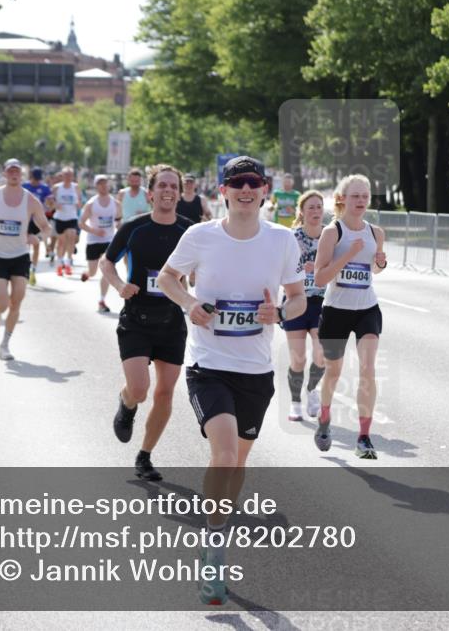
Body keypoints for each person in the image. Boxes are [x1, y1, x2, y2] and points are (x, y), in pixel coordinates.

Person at [157, 155, 305, 605]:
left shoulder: (282, 240)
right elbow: (167, 278)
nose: (246, 190)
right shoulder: (199, 235)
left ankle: (217, 528)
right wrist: (189, 304)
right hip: (209, 365)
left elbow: (298, 299)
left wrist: (278, 313)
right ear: (222, 190)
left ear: (264, 190)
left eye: (253, 182)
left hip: (256, 372)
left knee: (237, 465)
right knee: (222, 453)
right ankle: (214, 549)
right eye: (237, 182)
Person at [101, 164, 194, 482]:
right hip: (136, 319)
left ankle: (145, 455)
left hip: (171, 321)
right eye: (163, 186)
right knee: (140, 389)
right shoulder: (134, 227)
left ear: (180, 194)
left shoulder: (189, 231)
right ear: (151, 193)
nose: (168, 191)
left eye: (174, 186)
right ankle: (126, 403)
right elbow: (106, 260)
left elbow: (206, 267)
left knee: (165, 393)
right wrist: (118, 286)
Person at [312, 174, 387, 460]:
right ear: (342, 199)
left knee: (368, 368)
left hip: (367, 309)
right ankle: (325, 416)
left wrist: (380, 262)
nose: (361, 201)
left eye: (365, 196)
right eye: (355, 196)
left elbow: (376, 268)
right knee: (334, 371)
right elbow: (320, 278)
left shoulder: (376, 232)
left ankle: (364, 437)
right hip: (336, 312)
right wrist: (348, 255)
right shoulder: (333, 233)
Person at [0, 159, 52, 361]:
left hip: (20, 256)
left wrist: (38, 238)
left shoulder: (31, 200)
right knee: (3, 303)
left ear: (22, 175)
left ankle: (4, 345)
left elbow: (46, 227)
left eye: (17, 171)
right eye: (10, 171)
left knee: (16, 302)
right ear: (4, 173)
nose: (14, 174)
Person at [281, 190, 327, 421]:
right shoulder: (292, 237)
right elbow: (280, 267)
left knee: (322, 354)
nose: (316, 211)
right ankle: (295, 401)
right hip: (296, 299)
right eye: (311, 207)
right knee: (298, 358)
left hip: (321, 302)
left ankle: (312, 390)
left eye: (319, 207)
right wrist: (301, 268)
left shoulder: (331, 236)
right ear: (302, 211)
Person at [79, 174, 121, 313]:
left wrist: (121, 232)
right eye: (100, 183)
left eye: (105, 183)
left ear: (108, 185)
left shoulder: (116, 204)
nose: (103, 186)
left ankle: (102, 300)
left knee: (107, 270)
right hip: (93, 241)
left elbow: (118, 222)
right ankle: (87, 273)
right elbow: (81, 223)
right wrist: (94, 231)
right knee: (93, 272)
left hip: (109, 241)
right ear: (96, 186)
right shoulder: (91, 204)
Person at [23, 167, 54, 286]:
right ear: (31, 177)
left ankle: (33, 271)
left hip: (37, 220)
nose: (36, 181)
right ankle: (25, 267)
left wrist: (50, 204)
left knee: (36, 245)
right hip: (25, 220)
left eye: (38, 179)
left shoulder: (44, 188)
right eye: (35, 179)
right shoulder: (25, 186)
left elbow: (51, 204)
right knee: (25, 245)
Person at [52, 167, 82, 276]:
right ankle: (60, 264)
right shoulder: (56, 188)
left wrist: (79, 205)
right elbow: (50, 202)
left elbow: (80, 202)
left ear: (72, 176)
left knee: (72, 236)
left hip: (72, 217)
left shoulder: (76, 187)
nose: (68, 177)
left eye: (70, 175)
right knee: (62, 243)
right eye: (66, 175)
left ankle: (68, 263)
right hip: (59, 218)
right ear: (62, 176)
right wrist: (55, 205)